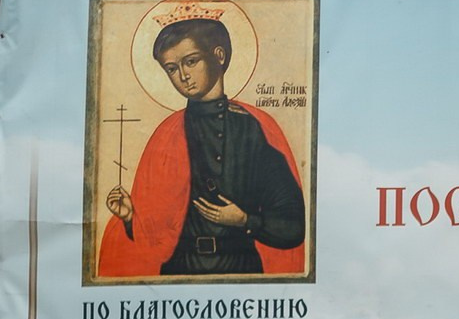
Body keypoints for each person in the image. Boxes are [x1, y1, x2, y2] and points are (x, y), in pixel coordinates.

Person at [97, 16, 308, 278]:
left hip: (241, 268)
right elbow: (155, 235)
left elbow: (293, 227)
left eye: (191, 61)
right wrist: (130, 218)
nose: (183, 76)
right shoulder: (167, 134)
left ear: (218, 55)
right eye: (172, 69)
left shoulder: (255, 129)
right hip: (179, 268)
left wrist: (245, 221)